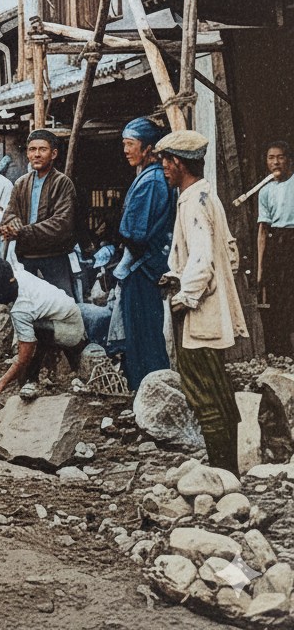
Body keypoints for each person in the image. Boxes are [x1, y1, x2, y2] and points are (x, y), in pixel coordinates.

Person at [156, 130, 248, 473]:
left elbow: (203, 262)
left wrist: (183, 297)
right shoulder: (207, 196)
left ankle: (224, 472)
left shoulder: (194, 201)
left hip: (201, 313)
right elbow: (230, 255)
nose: (164, 168)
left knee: (204, 395)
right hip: (212, 309)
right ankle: (229, 471)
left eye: (167, 162)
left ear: (179, 163)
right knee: (219, 390)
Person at [113, 117, 174, 391]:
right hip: (146, 264)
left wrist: (124, 240)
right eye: (124, 144)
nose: (125, 150)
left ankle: (150, 391)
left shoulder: (151, 180)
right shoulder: (151, 177)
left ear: (148, 148)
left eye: (130, 144)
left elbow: (135, 233)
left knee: (143, 333)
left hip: (143, 267)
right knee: (145, 331)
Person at [0, 257, 88, 400]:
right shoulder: (18, 275)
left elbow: (24, 357)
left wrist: (1, 384)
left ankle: (31, 381)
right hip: (65, 318)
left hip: (71, 331)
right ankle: (28, 379)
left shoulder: (21, 309)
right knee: (31, 333)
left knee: (33, 335)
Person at [0, 129, 78, 299]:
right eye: (32, 149)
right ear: (27, 153)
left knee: (63, 307)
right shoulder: (21, 183)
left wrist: (22, 231)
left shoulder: (62, 183)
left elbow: (61, 224)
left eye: (42, 149)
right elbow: (10, 214)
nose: (36, 154)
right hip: (26, 258)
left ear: (54, 154)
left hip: (54, 257)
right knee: (27, 307)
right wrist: (10, 227)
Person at [257, 141, 294, 358]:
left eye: (279, 157)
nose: (275, 162)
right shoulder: (265, 191)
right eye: (271, 158)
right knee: (278, 299)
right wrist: (260, 268)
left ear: (288, 159)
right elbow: (263, 230)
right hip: (277, 244)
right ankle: (283, 355)